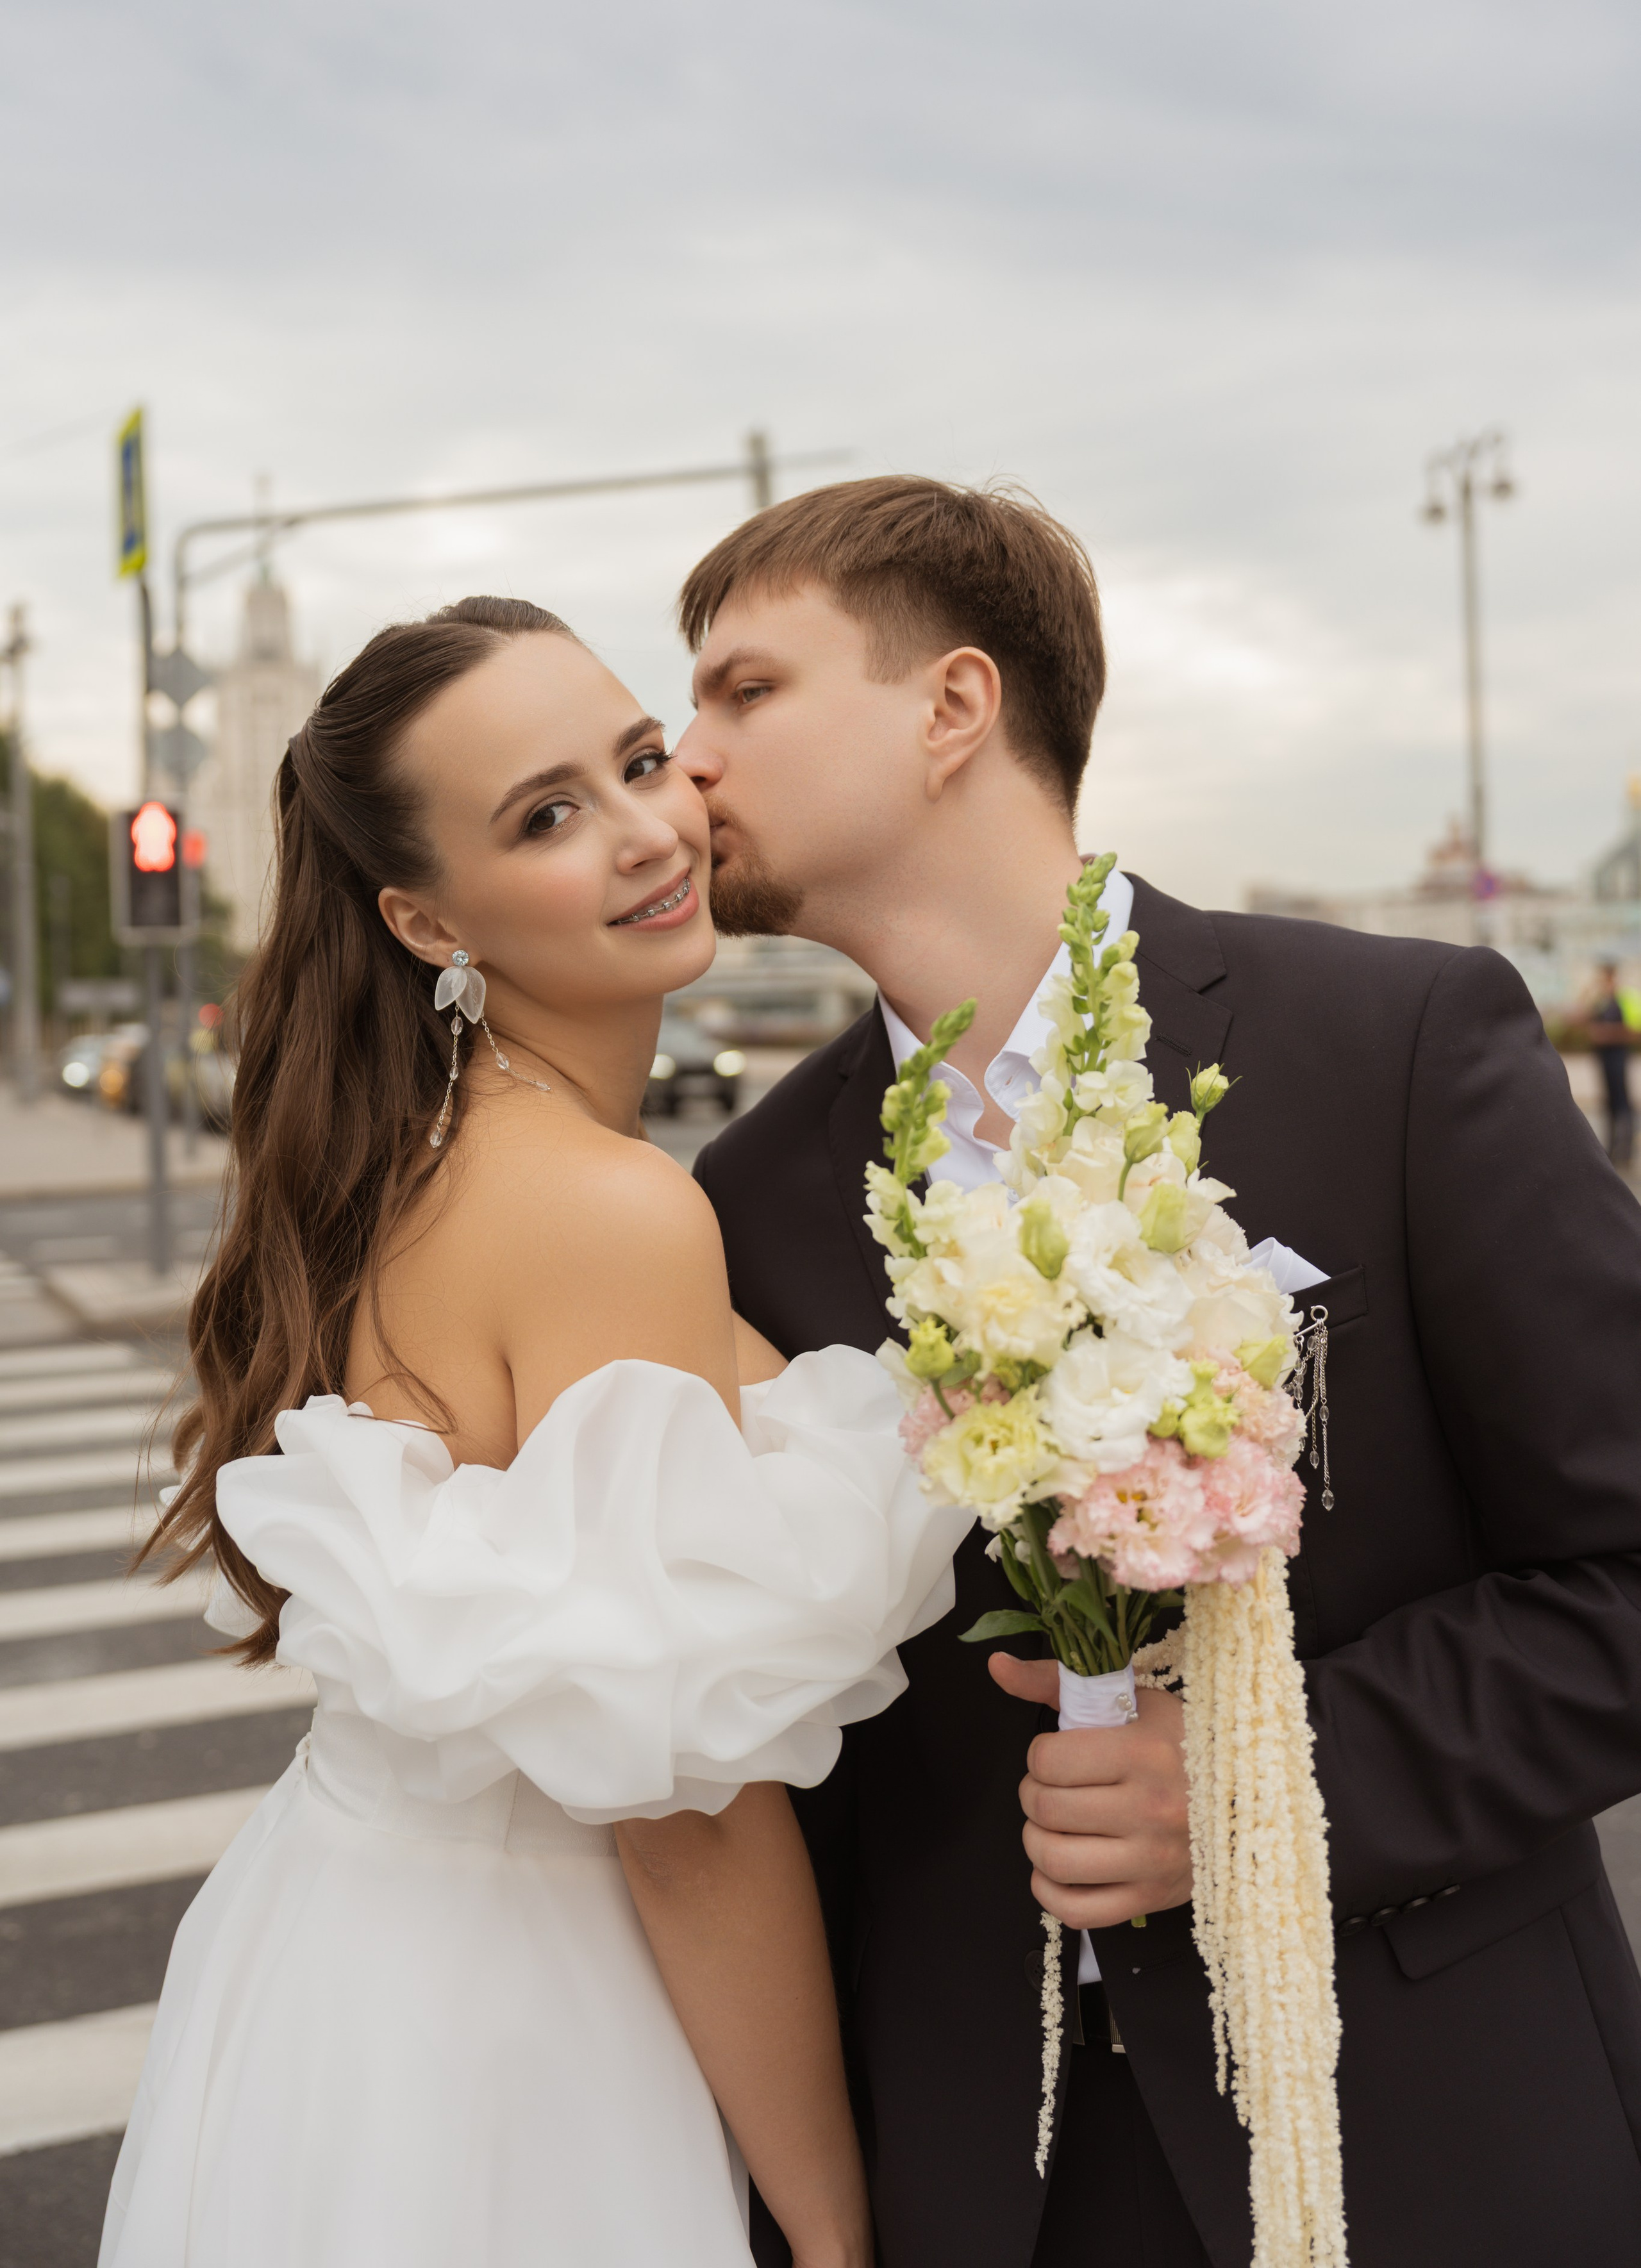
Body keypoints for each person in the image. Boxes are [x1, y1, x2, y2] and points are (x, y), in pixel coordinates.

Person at [674, 478, 1641, 2268]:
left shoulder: (1401, 1044)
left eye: (745, 691)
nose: (688, 755)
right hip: (995, 2177)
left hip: (1431, 2128)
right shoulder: (741, 1206)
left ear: (954, 707)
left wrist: (1268, 1781)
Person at [100, 596, 967, 2268]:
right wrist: (838, 2232)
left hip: (343, 1966)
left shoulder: (409, 1160)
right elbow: (686, 1826)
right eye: (549, 816)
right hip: (520, 2022)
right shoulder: (605, 1209)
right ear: (427, 921)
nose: (649, 831)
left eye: (640, 760)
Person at [1585, 959, 1637, 1170]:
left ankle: (1626, 1150)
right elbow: (1582, 1018)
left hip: (1618, 1056)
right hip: (1604, 1058)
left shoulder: (1626, 999)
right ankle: (1613, 1148)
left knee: (1622, 1103)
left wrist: (1607, 1035)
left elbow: (1635, 1031)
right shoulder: (1602, 1001)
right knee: (1609, 1104)